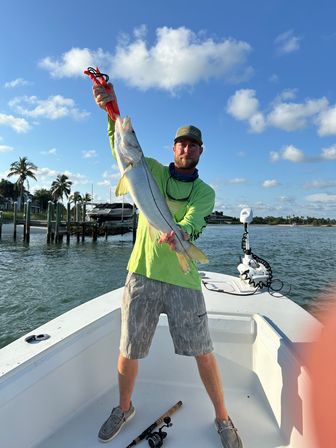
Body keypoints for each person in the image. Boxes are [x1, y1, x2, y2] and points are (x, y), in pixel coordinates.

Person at [92, 84, 243, 448]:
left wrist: (183, 236)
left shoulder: (204, 191)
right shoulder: (149, 171)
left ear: (200, 151)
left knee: (203, 352)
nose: (186, 149)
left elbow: (194, 219)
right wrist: (111, 110)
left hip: (184, 279)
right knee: (129, 349)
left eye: (192, 145)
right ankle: (124, 408)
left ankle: (222, 417)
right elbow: (122, 143)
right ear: (173, 148)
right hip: (142, 273)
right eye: (180, 143)